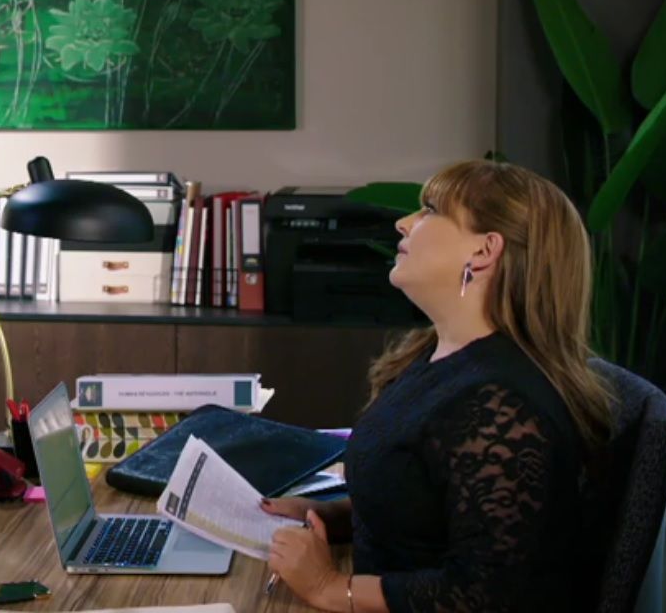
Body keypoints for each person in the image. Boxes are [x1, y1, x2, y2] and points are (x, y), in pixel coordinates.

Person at [263, 159, 615, 612]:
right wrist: (331, 517)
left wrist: (330, 587)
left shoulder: (502, 405)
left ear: (484, 251)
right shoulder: (436, 355)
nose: (403, 223)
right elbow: (428, 504)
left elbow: (486, 595)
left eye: (430, 210)